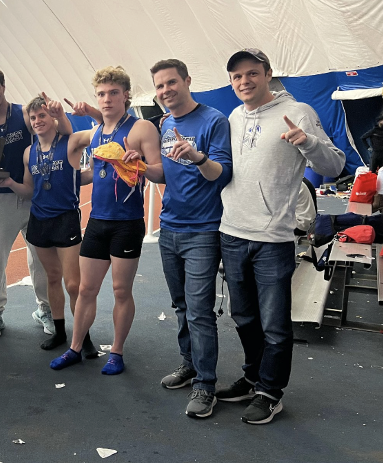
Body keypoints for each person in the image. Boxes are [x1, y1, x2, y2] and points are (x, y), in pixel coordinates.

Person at [217, 48, 344, 424]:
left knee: (274, 323)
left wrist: (307, 142)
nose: (244, 81)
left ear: (268, 73)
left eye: (252, 73)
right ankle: (253, 377)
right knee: (243, 316)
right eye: (237, 76)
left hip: (273, 237)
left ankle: (271, 393)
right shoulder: (234, 115)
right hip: (232, 232)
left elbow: (335, 165)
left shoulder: (300, 111)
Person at [51, 66, 163, 374]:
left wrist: (140, 164)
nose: (107, 99)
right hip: (97, 222)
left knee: (120, 291)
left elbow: (160, 171)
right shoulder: (97, 131)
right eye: (101, 94)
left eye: (113, 93)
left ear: (126, 95)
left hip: (126, 223)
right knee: (86, 289)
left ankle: (116, 352)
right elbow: (93, 172)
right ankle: (75, 347)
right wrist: (70, 177)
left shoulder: (141, 129)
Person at [149, 59, 233, 418]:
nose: (166, 90)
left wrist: (198, 156)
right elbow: (163, 175)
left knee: (199, 312)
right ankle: (190, 365)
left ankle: (206, 385)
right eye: (159, 86)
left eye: (171, 83)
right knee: (182, 306)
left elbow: (221, 173)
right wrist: (136, 165)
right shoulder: (166, 123)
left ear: (186, 81)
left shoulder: (214, 120)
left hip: (202, 230)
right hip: (169, 229)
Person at [0, 66, 69, 338]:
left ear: (3, 86)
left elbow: (57, 137)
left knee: (40, 258)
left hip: (33, 197)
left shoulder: (25, 114)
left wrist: (59, 115)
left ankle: (45, 308)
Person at [0, 95, 95, 352]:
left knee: (74, 284)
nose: (38, 121)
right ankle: (60, 333)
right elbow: (29, 190)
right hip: (39, 220)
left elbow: (98, 132)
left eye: (42, 115)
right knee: (52, 278)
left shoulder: (70, 142)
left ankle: (83, 338)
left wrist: (67, 114)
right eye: (33, 117)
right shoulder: (29, 153)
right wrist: (10, 184)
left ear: (52, 117)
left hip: (66, 219)